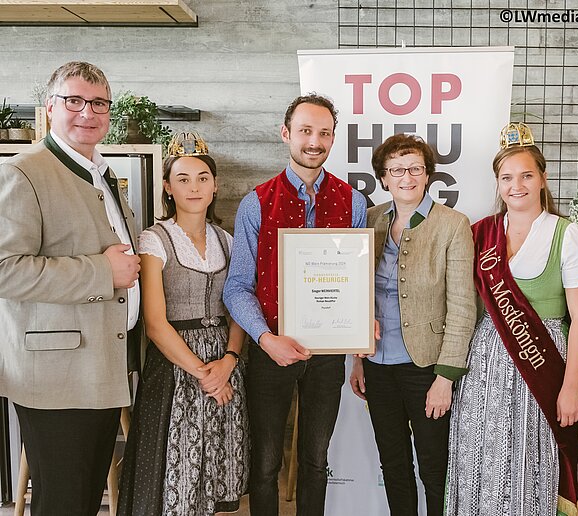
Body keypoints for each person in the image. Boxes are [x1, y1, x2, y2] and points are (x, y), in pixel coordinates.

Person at [0, 61, 140, 515]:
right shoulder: (24, 173)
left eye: (98, 103)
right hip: (55, 375)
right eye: (74, 101)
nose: (87, 112)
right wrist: (101, 272)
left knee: (81, 500)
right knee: (62, 502)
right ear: (49, 108)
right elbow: (6, 270)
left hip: (99, 368)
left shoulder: (101, 172)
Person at [223, 93, 367, 516]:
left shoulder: (353, 202)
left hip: (328, 355)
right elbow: (236, 287)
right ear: (286, 134)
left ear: (334, 138)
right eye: (305, 131)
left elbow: (357, 282)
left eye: (324, 132)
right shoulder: (257, 202)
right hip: (271, 352)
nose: (314, 141)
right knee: (265, 463)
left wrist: (361, 326)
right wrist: (266, 339)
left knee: (316, 461)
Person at [445, 123, 578, 516]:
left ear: (543, 178)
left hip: (541, 362)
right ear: (497, 184)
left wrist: (571, 388)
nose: (517, 185)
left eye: (527, 175)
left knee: (531, 460)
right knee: (480, 455)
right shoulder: (480, 233)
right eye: (507, 177)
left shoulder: (569, 235)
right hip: (484, 365)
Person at [118, 132, 249, 515]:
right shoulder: (154, 240)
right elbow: (155, 323)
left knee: (220, 465)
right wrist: (203, 373)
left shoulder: (227, 240)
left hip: (225, 363)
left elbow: (237, 306)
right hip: (176, 365)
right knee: (177, 471)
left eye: (203, 178)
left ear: (215, 186)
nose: (195, 187)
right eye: (184, 179)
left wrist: (228, 362)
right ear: (167, 187)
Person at [348, 134, 475, 516]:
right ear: (383, 178)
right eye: (397, 170)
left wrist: (445, 377)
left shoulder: (453, 224)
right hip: (376, 365)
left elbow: (463, 307)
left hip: (427, 368)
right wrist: (356, 359)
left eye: (415, 168)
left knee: (434, 468)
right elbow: (357, 295)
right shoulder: (369, 221)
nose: (407, 177)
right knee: (393, 464)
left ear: (427, 174)